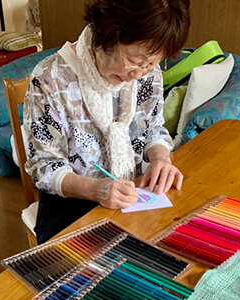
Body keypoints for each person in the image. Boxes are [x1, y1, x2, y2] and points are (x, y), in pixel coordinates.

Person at [23, 0, 190, 243]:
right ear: (107, 36)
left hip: (130, 199)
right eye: (135, 61)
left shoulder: (146, 74)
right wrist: (97, 190)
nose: (140, 73)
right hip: (70, 210)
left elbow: (153, 127)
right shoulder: (51, 78)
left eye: (152, 63)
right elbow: (44, 167)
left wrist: (160, 159)